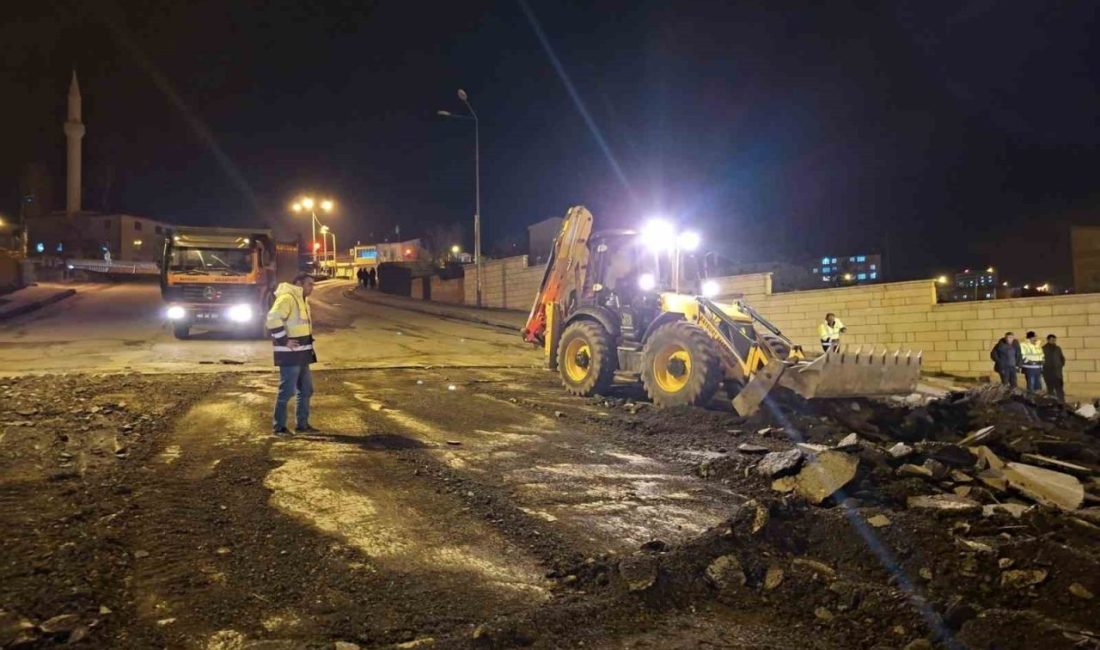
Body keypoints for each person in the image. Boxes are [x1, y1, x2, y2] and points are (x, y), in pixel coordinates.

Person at [265, 273, 319, 436]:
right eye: (310, 284)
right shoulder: (287, 298)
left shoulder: (302, 300)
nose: (312, 288)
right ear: (299, 283)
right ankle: (279, 427)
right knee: (287, 391)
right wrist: (284, 341)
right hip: (290, 355)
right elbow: (272, 319)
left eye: (313, 284)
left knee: (306, 390)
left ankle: (302, 425)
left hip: (302, 355)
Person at [1042, 334, 1066, 401]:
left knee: (1059, 389)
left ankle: (1062, 403)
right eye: (1052, 340)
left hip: (1057, 372)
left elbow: (1062, 358)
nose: (1054, 341)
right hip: (1048, 373)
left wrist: (1060, 365)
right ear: (1048, 340)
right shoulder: (1043, 349)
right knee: (1050, 390)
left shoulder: (1058, 348)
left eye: (1054, 340)